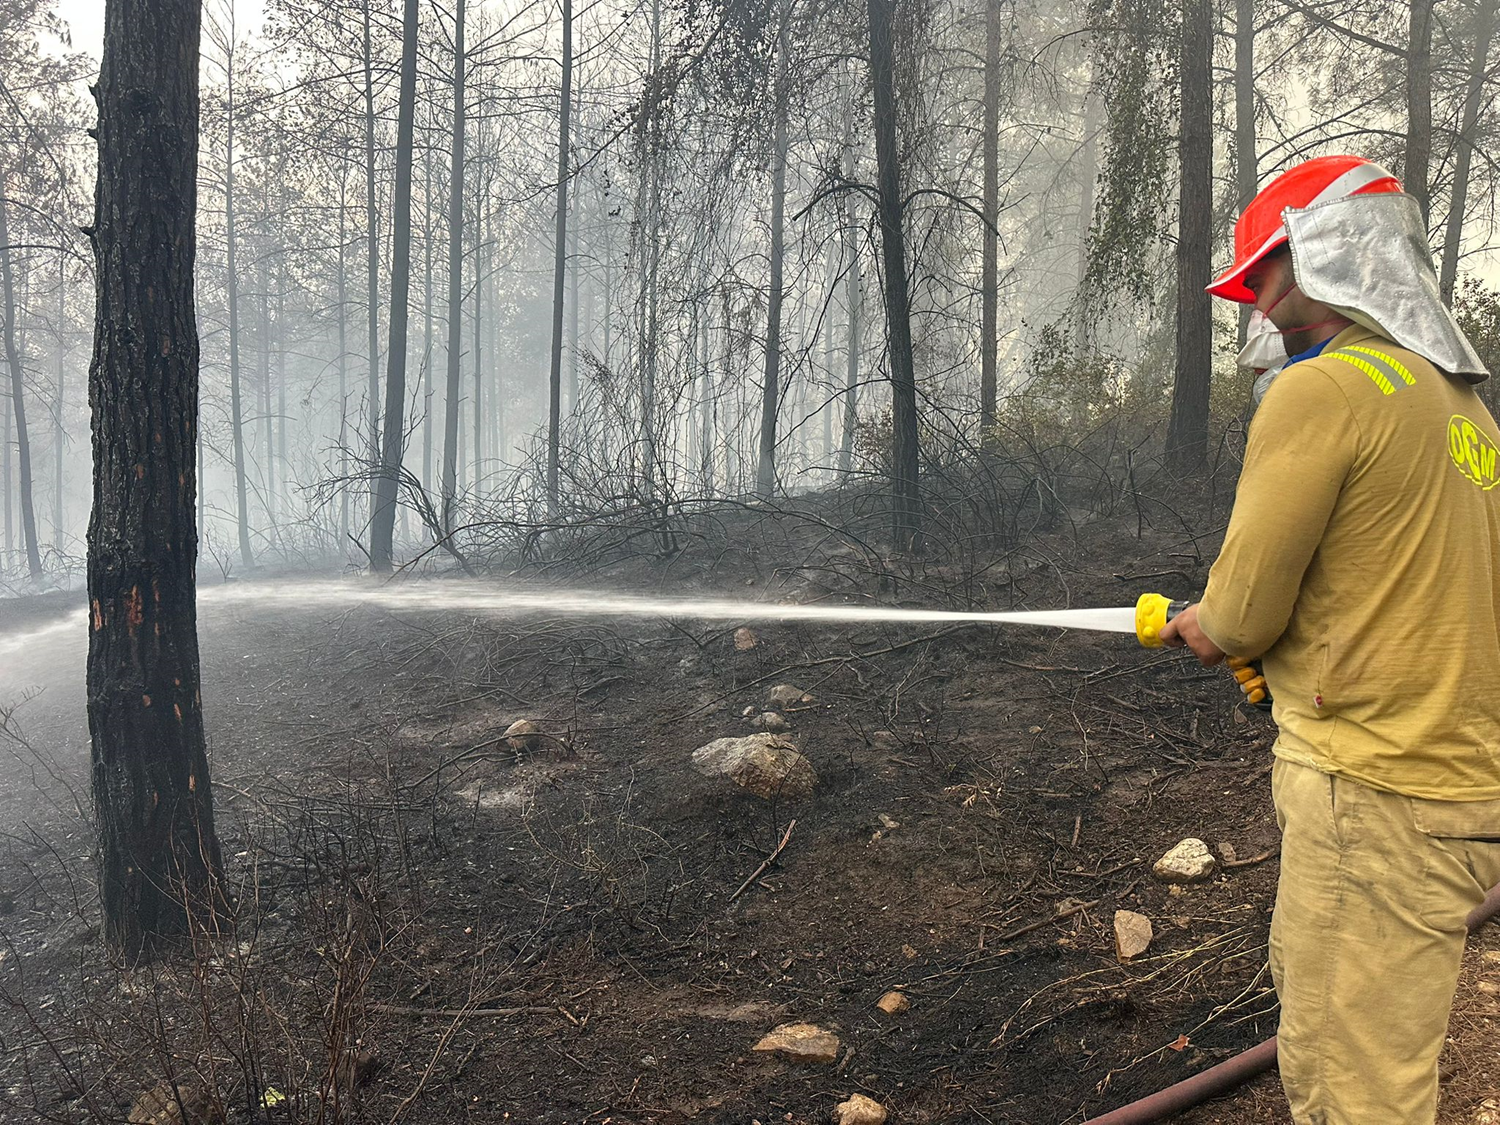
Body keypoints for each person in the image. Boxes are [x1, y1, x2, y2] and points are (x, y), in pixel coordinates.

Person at [1159, 154, 1500, 1125]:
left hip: (1373, 802)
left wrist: (1208, 628)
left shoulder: (1324, 392)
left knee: (1349, 1089)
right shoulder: (1462, 408)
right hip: (1460, 794)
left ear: (1331, 251)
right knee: (1375, 1055)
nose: (1259, 305)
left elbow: (1242, 614)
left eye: (1268, 273)